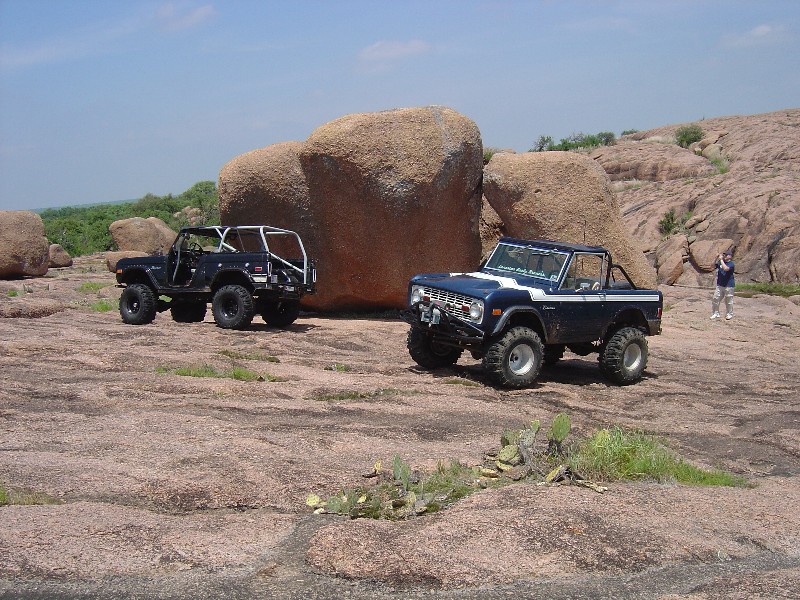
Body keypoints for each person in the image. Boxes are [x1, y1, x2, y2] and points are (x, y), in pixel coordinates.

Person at [711, 249, 735, 320]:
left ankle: (729, 314)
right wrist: (716, 258)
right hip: (720, 284)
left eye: (726, 255)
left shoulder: (731, 264)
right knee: (715, 298)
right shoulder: (720, 262)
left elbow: (726, 269)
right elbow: (712, 266)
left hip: (729, 285)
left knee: (728, 300)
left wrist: (721, 260)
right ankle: (716, 313)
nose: (724, 256)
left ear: (729, 256)